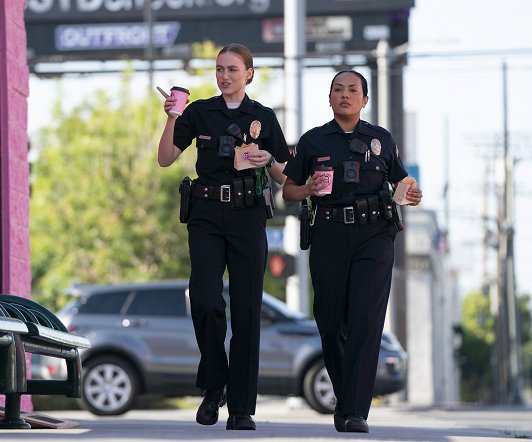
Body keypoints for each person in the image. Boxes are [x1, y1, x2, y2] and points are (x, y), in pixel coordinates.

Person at [157, 43, 290, 431]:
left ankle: (242, 408)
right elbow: (165, 158)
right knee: (204, 298)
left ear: (249, 73)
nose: (224, 75)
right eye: (219, 69)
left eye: (232, 69)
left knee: (247, 310)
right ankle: (215, 385)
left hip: (248, 216)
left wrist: (268, 160)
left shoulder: (263, 117)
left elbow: (284, 175)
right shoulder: (199, 111)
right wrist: (171, 117)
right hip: (207, 214)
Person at [281, 70, 422, 433]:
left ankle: (356, 410)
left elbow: (401, 182)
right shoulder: (313, 141)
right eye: (338, 90)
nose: (345, 95)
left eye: (353, 90)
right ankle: (345, 400)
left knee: (365, 320)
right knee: (330, 322)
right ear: (329, 99)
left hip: (375, 236)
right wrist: (309, 187)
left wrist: (413, 193)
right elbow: (288, 192)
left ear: (365, 100)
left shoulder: (381, 140)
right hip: (328, 234)